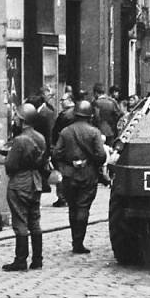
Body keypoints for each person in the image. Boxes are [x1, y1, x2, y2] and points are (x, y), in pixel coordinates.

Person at [52, 99, 106, 254]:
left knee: (73, 207)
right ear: (89, 116)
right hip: (88, 174)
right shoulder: (94, 132)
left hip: (69, 174)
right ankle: (78, 242)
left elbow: (56, 153)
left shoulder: (66, 131)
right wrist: (89, 161)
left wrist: (69, 163)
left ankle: (75, 240)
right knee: (83, 207)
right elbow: (101, 155)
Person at [2, 103, 48, 271]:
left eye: (17, 117)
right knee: (34, 221)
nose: (14, 119)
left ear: (23, 120)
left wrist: (4, 159)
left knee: (20, 221)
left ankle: (20, 260)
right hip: (35, 182)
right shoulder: (40, 138)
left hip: (20, 182)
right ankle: (37, 259)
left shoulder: (20, 139)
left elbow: (11, 164)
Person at [50, 94, 75, 208]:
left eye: (62, 100)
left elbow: (57, 132)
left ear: (69, 100)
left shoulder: (65, 115)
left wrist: (55, 146)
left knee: (61, 172)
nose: (60, 102)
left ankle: (62, 197)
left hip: (63, 148)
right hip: (74, 148)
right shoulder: (78, 112)